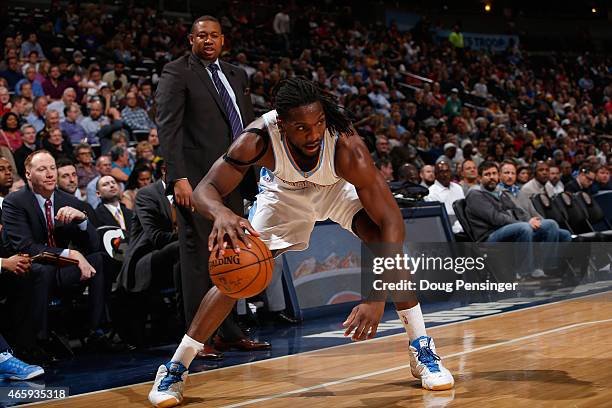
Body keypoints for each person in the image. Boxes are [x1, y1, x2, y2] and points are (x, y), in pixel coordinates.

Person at [148, 78, 454, 407]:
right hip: (283, 196)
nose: (313, 134)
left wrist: (376, 297)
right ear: (282, 124)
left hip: (336, 189)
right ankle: (176, 367)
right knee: (237, 271)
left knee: (386, 246)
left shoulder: (346, 146)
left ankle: (421, 349)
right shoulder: (258, 138)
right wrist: (221, 213)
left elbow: (392, 222)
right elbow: (204, 190)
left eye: (319, 123)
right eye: (302, 128)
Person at [155, 14, 263, 360]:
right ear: (191, 40)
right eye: (201, 36)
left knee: (229, 255)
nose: (208, 41)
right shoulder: (177, 72)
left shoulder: (235, 74)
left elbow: (246, 125)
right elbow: (167, 127)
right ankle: (197, 338)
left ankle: (230, 332)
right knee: (199, 259)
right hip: (198, 181)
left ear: (222, 40)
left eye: (214, 35)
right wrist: (178, 178)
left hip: (233, 179)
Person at [2, 150, 108, 352]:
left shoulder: (71, 201)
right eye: (42, 169)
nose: (50, 174)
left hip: (60, 271)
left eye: (52, 168)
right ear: (28, 174)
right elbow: (25, 247)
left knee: (98, 259)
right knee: (43, 269)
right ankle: (39, 341)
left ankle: (97, 332)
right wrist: (72, 255)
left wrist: (83, 221)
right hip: (26, 271)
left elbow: (93, 246)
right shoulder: (15, 202)